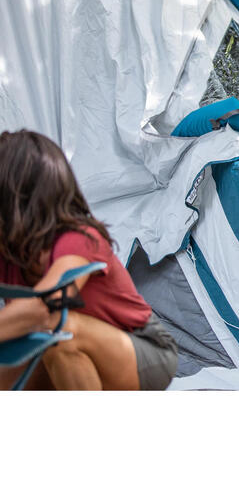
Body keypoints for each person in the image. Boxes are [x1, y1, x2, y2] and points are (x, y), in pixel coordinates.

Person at [0, 130, 178, 390]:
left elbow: (44, 309)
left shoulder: (79, 239)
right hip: (56, 346)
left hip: (143, 348)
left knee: (60, 332)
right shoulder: (9, 252)